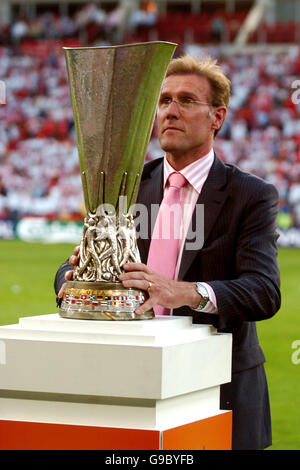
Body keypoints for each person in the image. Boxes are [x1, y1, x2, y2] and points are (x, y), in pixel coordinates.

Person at [54, 55, 281, 450]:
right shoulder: (128, 184)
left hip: (219, 391)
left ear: (217, 117)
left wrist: (185, 291)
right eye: (163, 101)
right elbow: (68, 266)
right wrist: (77, 277)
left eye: (187, 101)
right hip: (133, 384)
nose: (170, 111)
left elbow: (264, 290)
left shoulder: (251, 195)